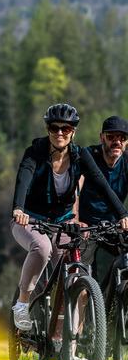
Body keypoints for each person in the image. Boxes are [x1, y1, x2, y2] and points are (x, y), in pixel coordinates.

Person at [11, 105, 128, 342]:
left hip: (62, 224)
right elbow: (24, 176)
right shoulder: (36, 152)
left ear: (73, 131)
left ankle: (70, 351)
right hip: (30, 220)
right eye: (55, 128)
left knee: (73, 276)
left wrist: (122, 214)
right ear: (48, 130)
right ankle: (22, 304)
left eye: (66, 128)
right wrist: (18, 208)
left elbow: (102, 185)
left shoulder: (79, 155)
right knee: (42, 249)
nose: (60, 133)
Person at [77, 116, 128, 275]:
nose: (117, 142)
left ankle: (118, 293)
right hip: (86, 224)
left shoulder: (126, 162)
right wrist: (76, 219)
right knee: (83, 277)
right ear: (102, 137)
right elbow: (75, 188)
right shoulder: (90, 156)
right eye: (111, 137)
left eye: (123, 138)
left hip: (112, 224)